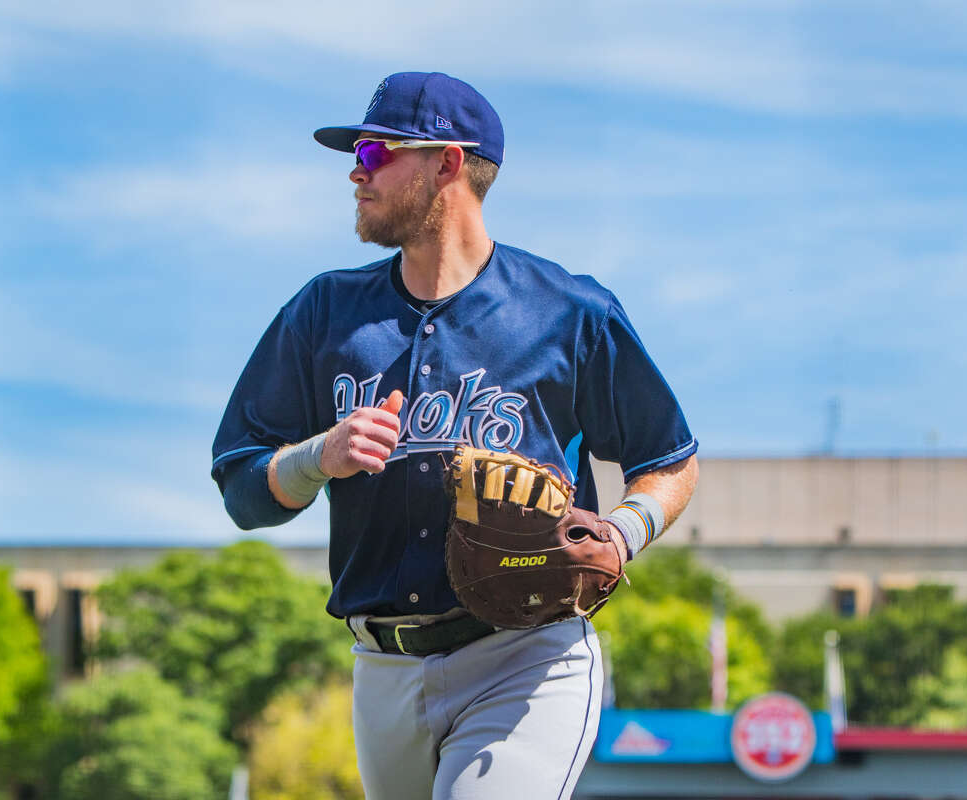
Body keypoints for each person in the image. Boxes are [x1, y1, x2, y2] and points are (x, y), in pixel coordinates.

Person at [212, 71, 699, 799]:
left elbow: (670, 460)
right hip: (383, 666)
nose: (355, 170)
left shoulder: (569, 311)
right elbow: (244, 492)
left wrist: (623, 532)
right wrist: (318, 458)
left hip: (526, 656)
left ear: (446, 163)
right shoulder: (325, 313)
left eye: (376, 153)